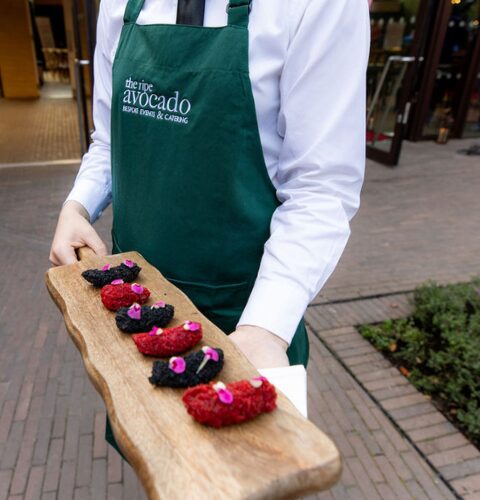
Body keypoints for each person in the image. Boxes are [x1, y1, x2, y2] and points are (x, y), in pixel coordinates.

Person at [50, 0, 369, 374]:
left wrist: (264, 329)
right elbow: (109, 140)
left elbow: (320, 187)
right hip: (134, 309)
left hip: (241, 318)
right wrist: (78, 205)